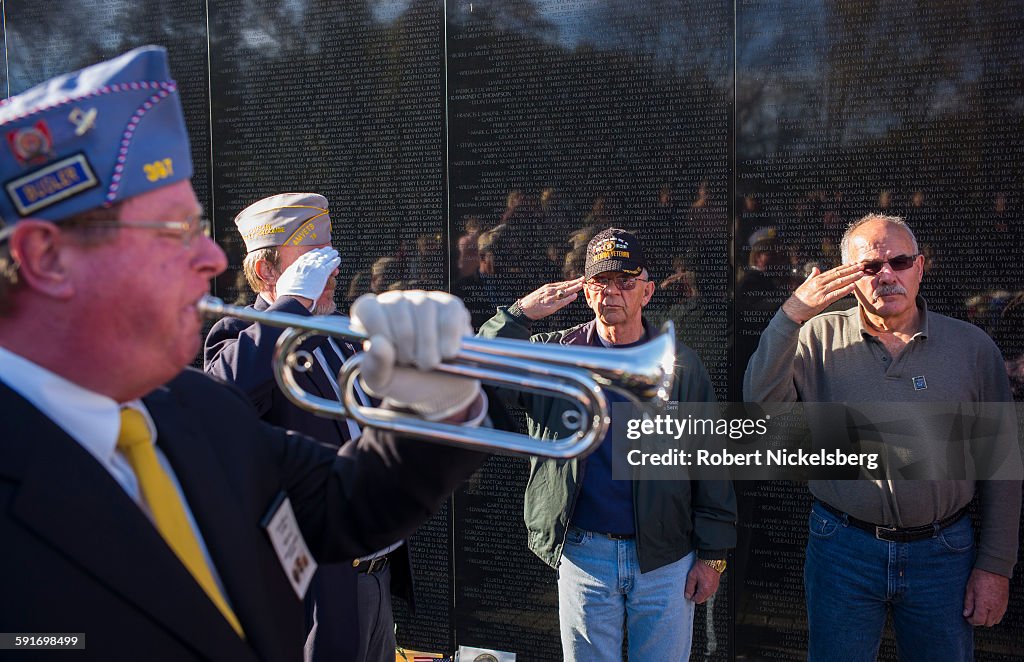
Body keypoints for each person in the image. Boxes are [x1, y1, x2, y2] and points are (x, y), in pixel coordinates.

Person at [0, 46, 493, 661]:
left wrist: (437, 403)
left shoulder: (186, 410)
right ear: (47, 259)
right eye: (176, 232)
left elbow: (345, 502)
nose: (210, 260)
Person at [744, 213, 1022, 661]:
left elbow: (1003, 466)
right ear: (849, 278)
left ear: (920, 266)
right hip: (843, 549)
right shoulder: (815, 338)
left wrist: (995, 566)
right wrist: (792, 314)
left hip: (944, 555)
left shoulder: (972, 349)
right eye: (870, 267)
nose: (886, 275)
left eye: (900, 261)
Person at [478, 228, 737, 661]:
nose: (611, 292)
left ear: (647, 291)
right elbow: (481, 366)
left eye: (625, 282)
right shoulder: (556, 355)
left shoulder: (680, 364)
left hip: (664, 559)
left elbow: (708, 459)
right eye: (599, 281)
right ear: (585, 290)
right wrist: (521, 312)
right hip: (584, 555)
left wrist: (713, 554)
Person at [204, 193, 415, 662]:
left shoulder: (342, 328)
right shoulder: (241, 334)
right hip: (319, 586)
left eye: (330, 254)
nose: (332, 268)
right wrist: (292, 304)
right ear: (265, 272)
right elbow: (223, 394)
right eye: (314, 260)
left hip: (376, 571)